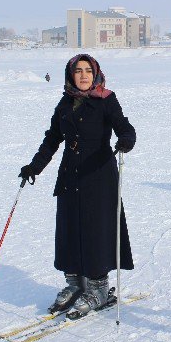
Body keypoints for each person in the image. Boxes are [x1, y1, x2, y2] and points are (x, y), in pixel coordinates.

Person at [19, 54, 136, 318]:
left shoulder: (106, 99)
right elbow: (52, 139)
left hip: (98, 175)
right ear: (70, 75)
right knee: (69, 229)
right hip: (70, 176)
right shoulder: (64, 103)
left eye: (87, 71)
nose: (83, 75)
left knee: (96, 232)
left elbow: (125, 128)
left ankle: (98, 288)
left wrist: (126, 141)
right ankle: (75, 284)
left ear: (95, 74)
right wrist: (34, 167)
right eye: (78, 71)